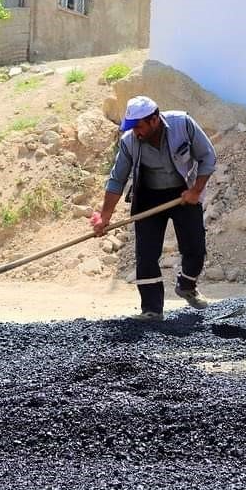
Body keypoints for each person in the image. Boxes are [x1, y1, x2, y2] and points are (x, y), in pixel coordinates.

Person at [91, 95, 217, 321]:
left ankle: (187, 285)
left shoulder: (183, 124)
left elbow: (207, 157)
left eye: (138, 126)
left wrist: (196, 190)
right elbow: (117, 179)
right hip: (148, 196)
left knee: (195, 248)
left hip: (184, 193)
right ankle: (151, 309)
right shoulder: (129, 141)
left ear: (154, 119)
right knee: (146, 255)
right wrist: (104, 217)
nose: (135, 132)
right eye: (131, 127)